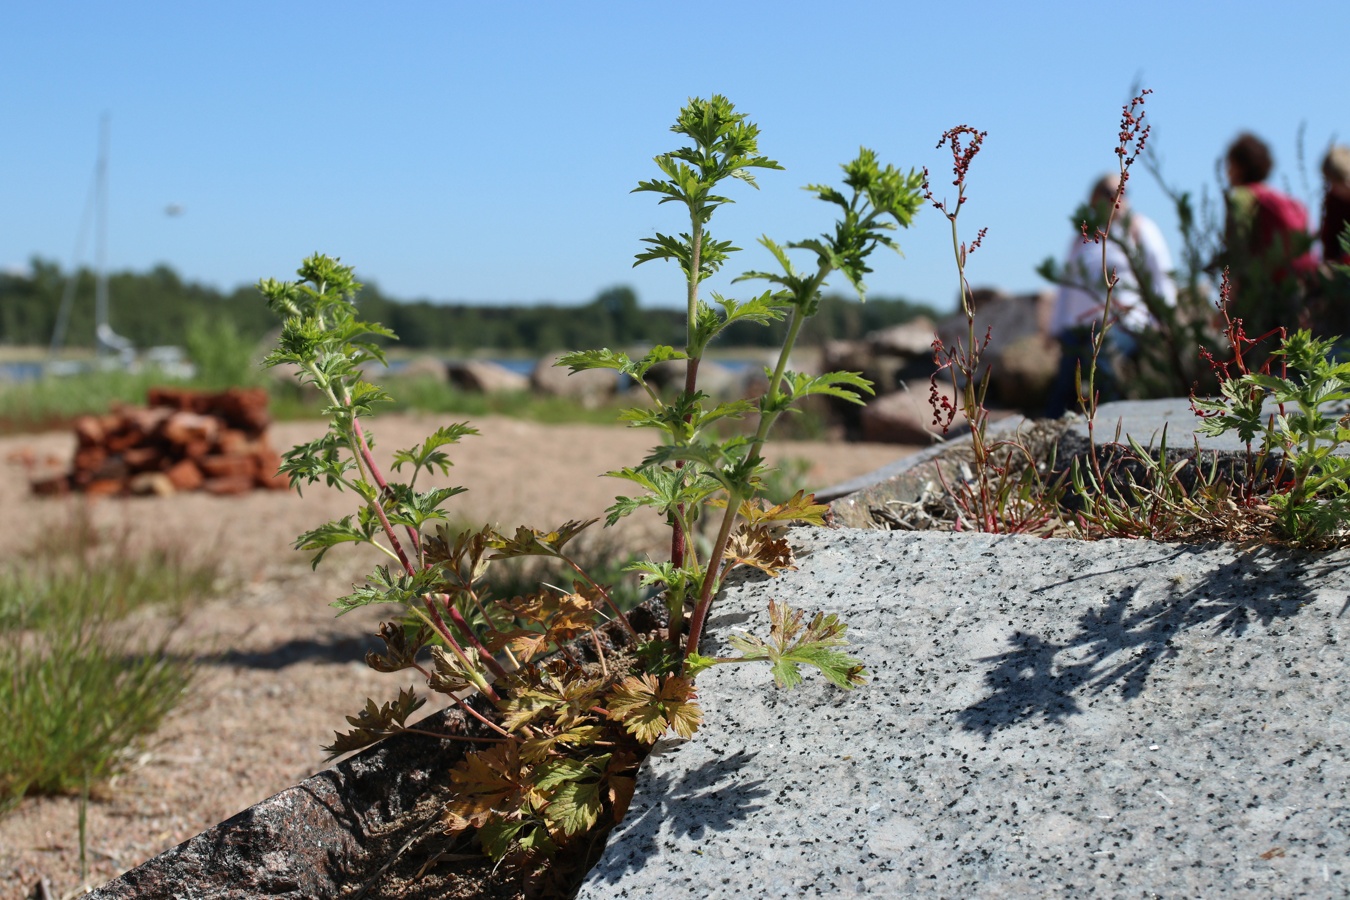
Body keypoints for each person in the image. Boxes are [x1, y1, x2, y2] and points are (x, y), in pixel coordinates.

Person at [1045, 174, 1177, 418]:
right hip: (1080, 326)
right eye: (1108, 192)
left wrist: (1162, 321)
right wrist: (1055, 328)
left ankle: (1107, 423)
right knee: (1066, 378)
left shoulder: (1140, 229)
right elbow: (1066, 288)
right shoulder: (1081, 239)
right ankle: (1049, 430)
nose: (1115, 197)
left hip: (1125, 324)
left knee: (1104, 364)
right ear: (1094, 198)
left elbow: (1161, 274)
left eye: (1121, 192)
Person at [1218, 132, 1316, 338]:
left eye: (1230, 164)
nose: (1227, 171)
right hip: (1295, 290)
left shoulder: (1242, 197)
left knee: (1252, 363)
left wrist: (1227, 303)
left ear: (1240, 166)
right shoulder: (1282, 198)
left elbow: (1239, 252)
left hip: (1259, 296)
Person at [1321, 144, 1350, 266]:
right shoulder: (1333, 201)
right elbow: (1330, 239)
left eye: (1341, 181)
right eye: (1332, 182)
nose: (1337, 188)